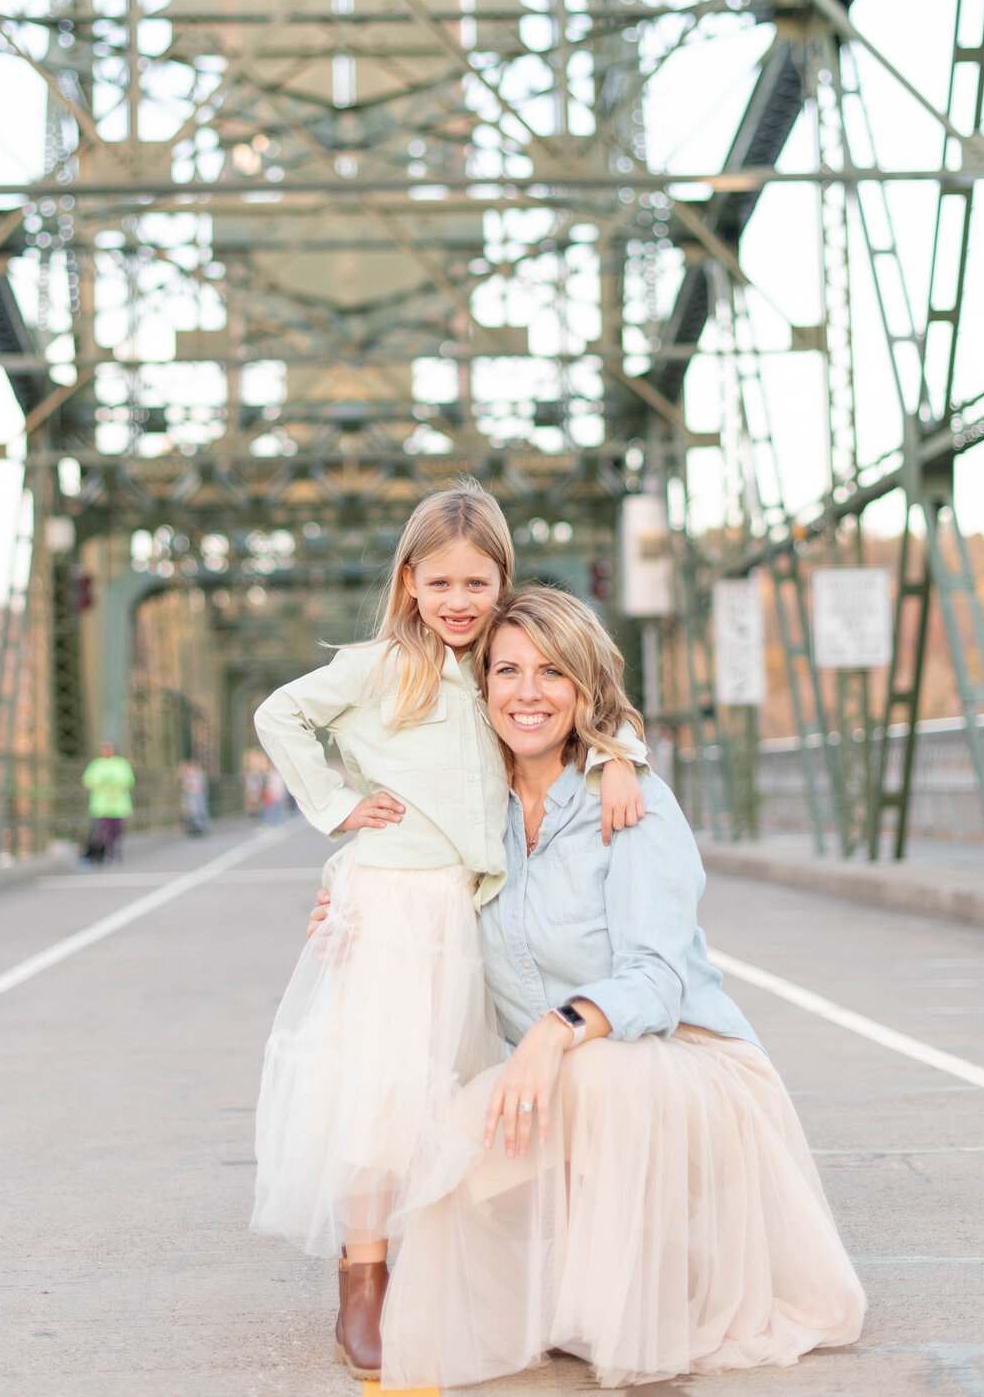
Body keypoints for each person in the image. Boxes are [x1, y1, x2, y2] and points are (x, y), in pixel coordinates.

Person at [311, 586, 866, 1390]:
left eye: (553, 673)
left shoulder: (632, 803)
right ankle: (578, 1275)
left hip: (686, 1072)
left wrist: (554, 1031)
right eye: (507, 672)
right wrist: (350, 907)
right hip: (558, 1079)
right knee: (444, 1167)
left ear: (585, 689)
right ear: (483, 688)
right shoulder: (469, 815)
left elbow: (659, 978)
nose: (527, 693)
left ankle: (637, 1288)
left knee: (599, 1069)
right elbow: (409, 894)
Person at [250, 484, 646, 1380]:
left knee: (450, 1090)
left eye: (478, 581)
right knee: (381, 1095)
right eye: (440, 582)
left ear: (503, 580)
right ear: (409, 581)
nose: (459, 601)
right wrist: (339, 807)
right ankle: (363, 1282)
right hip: (392, 901)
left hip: (462, 907)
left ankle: (451, 1265)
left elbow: (588, 702)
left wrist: (622, 758)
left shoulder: (504, 661)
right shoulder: (383, 662)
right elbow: (281, 714)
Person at [81, 742, 135, 862]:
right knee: (103, 830)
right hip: (101, 804)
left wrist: (114, 785)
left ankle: (115, 851)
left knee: (117, 829)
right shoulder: (96, 764)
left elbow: (129, 780)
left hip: (118, 804)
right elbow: (87, 780)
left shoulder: (121, 763)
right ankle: (105, 852)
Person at [178, 758, 211, 835]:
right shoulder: (186, 773)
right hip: (190, 794)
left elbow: (202, 784)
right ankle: (194, 827)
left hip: (198, 793)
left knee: (200, 810)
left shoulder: (199, 773)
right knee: (191, 811)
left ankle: (201, 826)